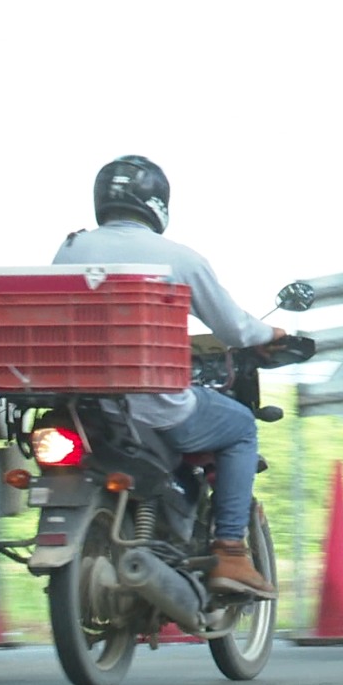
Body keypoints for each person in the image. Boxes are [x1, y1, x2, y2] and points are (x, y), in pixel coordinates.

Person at [53, 154, 284, 600]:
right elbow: (233, 329)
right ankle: (231, 550)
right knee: (240, 427)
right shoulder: (178, 258)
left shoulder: (71, 249)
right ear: (157, 202)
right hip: (154, 408)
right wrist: (269, 333)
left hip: (86, 405)